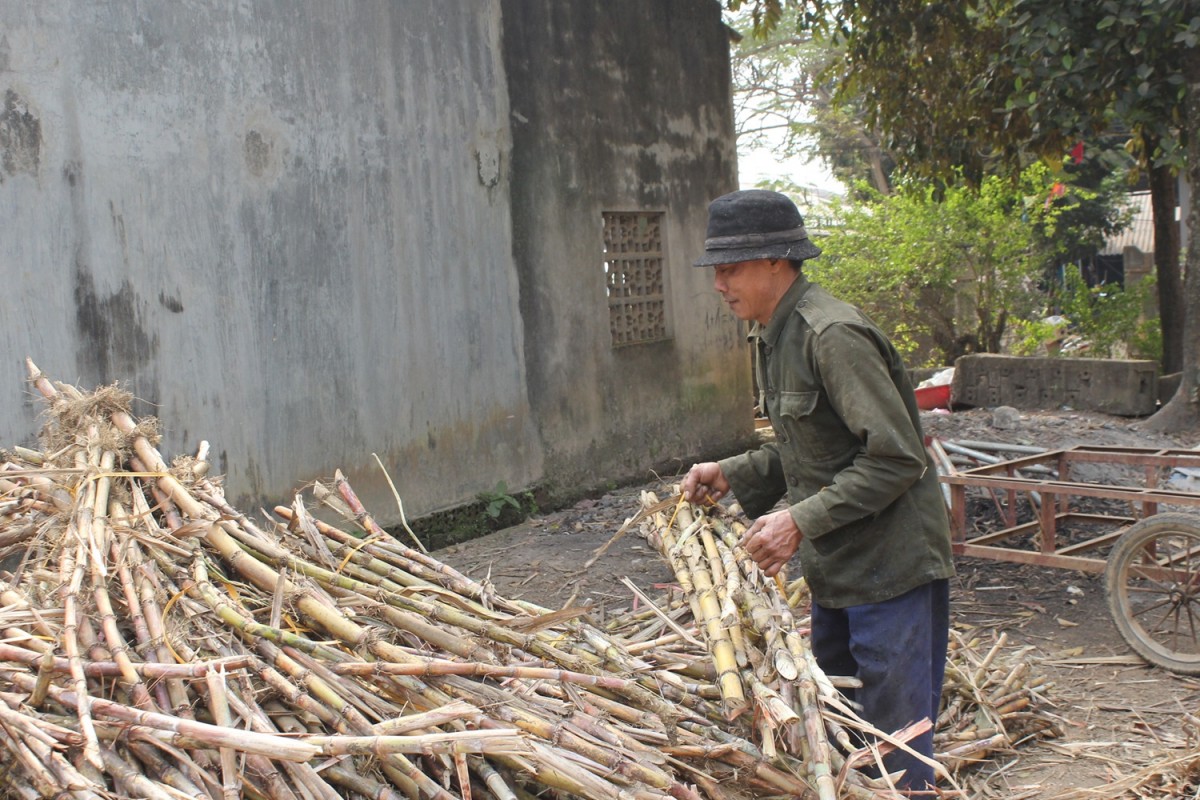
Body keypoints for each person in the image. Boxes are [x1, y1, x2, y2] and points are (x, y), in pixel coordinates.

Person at [682, 189, 955, 793]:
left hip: (892, 567)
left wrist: (796, 522)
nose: (719, 284)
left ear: (777, 261)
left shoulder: (832, 335)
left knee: (896, 741)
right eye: (716, 270)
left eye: (730, 268)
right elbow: (811, 445)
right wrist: (733, 472)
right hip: (840, 568)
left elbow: (896, 458)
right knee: (843, 724)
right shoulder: (773, 338)